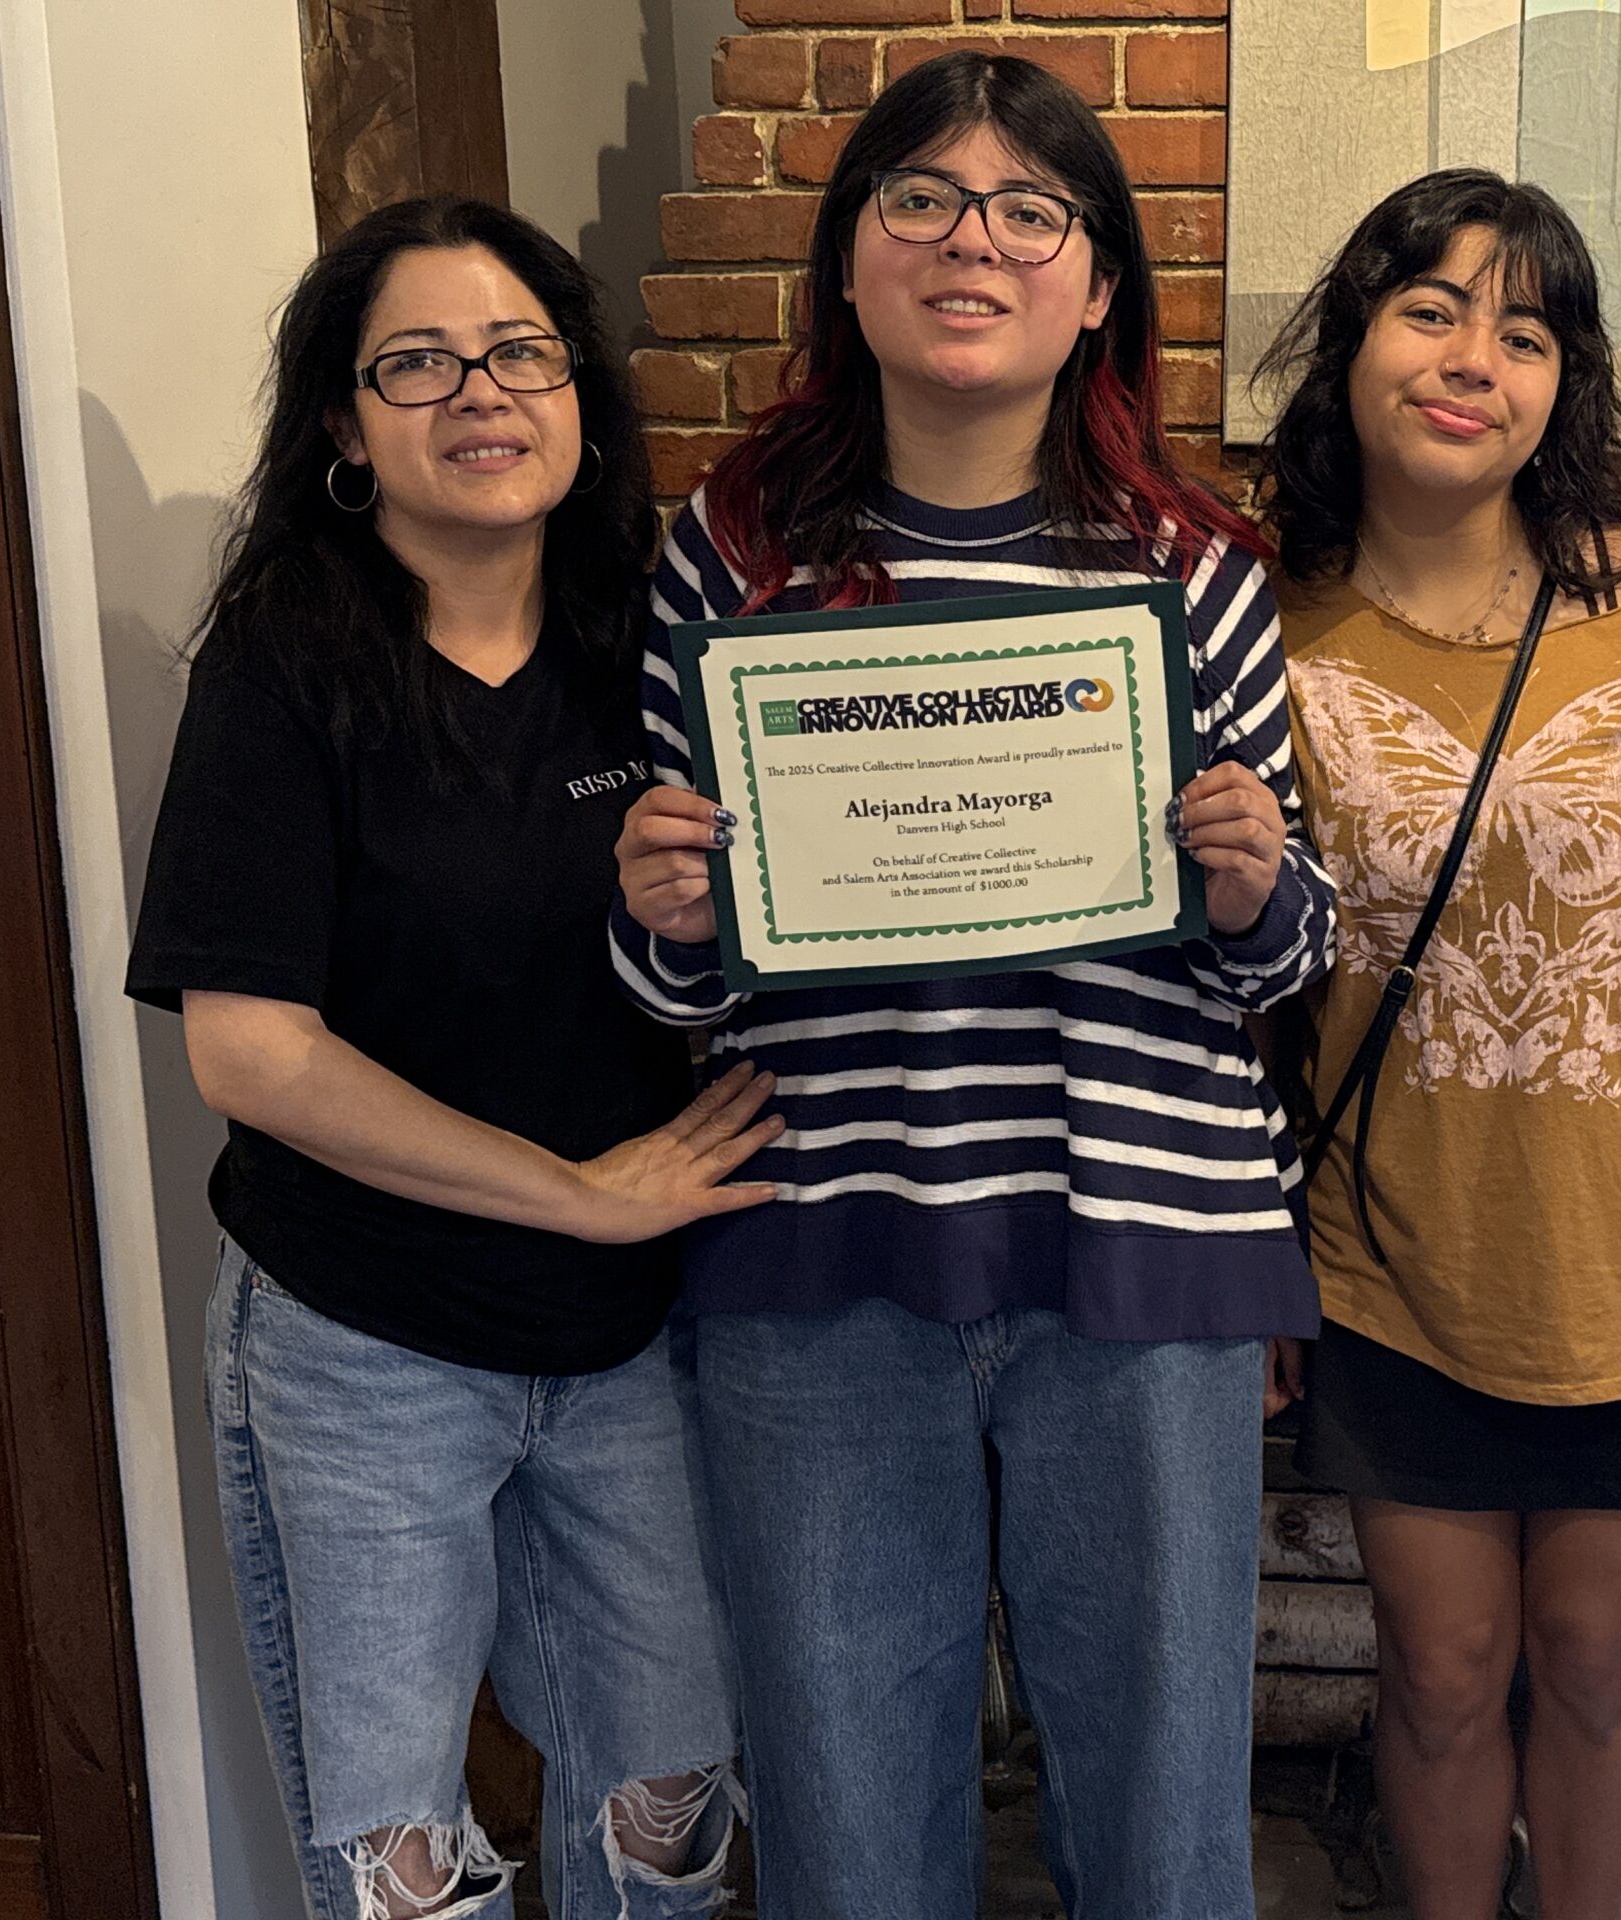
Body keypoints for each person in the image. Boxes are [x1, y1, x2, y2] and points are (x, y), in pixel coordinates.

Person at [606, 52, 1336, 1920]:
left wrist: (1256, 881)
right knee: (846, 1800)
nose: (972, 243)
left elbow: (1290, 950)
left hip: (1144, 1235)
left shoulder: (1194, 568)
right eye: (918, 200)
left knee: (1166, 1808)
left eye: (1031, 210)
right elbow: (678, 982)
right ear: (848, 267)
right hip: (822, 1233)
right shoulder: (734, 556)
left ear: (1097, 286)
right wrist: (667, 913)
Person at [126, 197, 772, 1920]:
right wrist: (573, 1192)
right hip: (364, 1340)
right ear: (346, 424)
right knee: (404, 1859)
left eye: (516, 353)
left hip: (624, 1339)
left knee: (673, 1810)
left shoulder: (655, 648)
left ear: (576, 394)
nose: (476, 392)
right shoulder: (283, 671)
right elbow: (253, 1058)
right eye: (416, 362)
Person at [1258, 169, 1621, 1920]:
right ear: (1352, 344)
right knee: (1435, 1666)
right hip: (1398, 1254)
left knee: (1589, 1658)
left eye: (1527, 329)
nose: (1473, 356)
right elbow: (1238, 977)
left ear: (1567, 384)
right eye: (1430, 310)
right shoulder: (1263, 619)